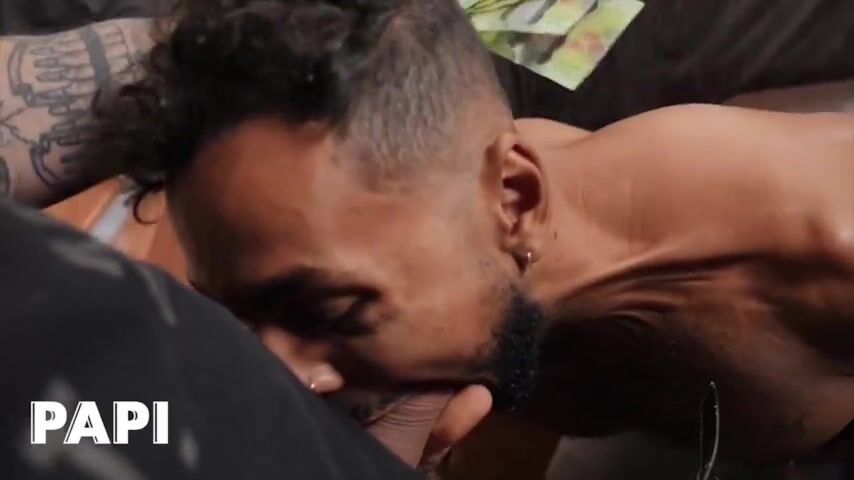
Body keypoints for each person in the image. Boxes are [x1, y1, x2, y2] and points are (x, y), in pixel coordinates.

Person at [60, 0, 852, 468]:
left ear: (517, 199)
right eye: (243, 316)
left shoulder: (821, 249)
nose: (287, 372)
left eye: (330, 311)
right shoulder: (417, 243)